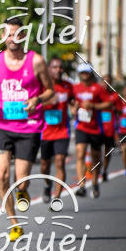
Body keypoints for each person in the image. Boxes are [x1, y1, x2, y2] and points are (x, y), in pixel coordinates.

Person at [0, 18, 54, 239]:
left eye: (17, 34)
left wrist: (37, 100)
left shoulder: (37, 61)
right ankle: (15, 223)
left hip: (29, 128)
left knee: (20, 179)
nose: (13, 38)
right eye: (8, 34)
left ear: (24, 36)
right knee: (2, 175)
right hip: (1, 125)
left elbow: (50, 90)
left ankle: (22, 192)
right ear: (3, 37)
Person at [72, 63, 112, 198]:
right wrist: (74, 107)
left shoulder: (98, 88)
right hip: (81, 126)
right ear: (79, 74)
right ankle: (82, 185)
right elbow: (71, 102)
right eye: (82, 72)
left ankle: (95, 182)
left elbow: (108, 103)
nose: (84, 75)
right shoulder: (75, 88)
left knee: (96, 158)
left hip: (95, 128)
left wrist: (94, 105)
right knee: (80, 154)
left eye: (86, 72)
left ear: (90, 74)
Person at [39, 57, 74, 204]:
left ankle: (57, 197)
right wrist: (47, 102)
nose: (58, 70)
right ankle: (48, 185)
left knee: (60, 162)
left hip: (62, 131)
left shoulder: (67, 86)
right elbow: (31, 104)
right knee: (44, 165)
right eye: (54, 67)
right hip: (45, 131)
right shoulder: (42, 86)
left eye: (60, 67)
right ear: (48, 69)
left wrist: (75, 106)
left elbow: (73, 100)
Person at [100, 74, 122, 181]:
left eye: (108, 82)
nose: (106, 84)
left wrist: (114, 108)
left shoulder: (115, 96)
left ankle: (105, 170)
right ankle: (96, 169)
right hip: (98, 127)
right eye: (104, 81)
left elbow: (120, 110)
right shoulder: (97, 94)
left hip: (110, 128)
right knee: (95, 151)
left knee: (107, 151)